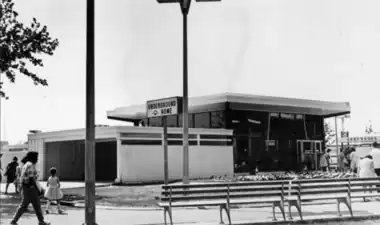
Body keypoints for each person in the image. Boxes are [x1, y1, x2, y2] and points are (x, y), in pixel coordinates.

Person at [10, 151, 50, 225]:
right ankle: (14, 221)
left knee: (34, 205)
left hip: (27, 188)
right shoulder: (30, 165)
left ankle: (41, 221)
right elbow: (31, 179)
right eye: (36, 157)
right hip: (31, 188)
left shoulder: (27, 164)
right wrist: (38, 188)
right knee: (28, 205)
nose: (37, 159)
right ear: (33, 157)